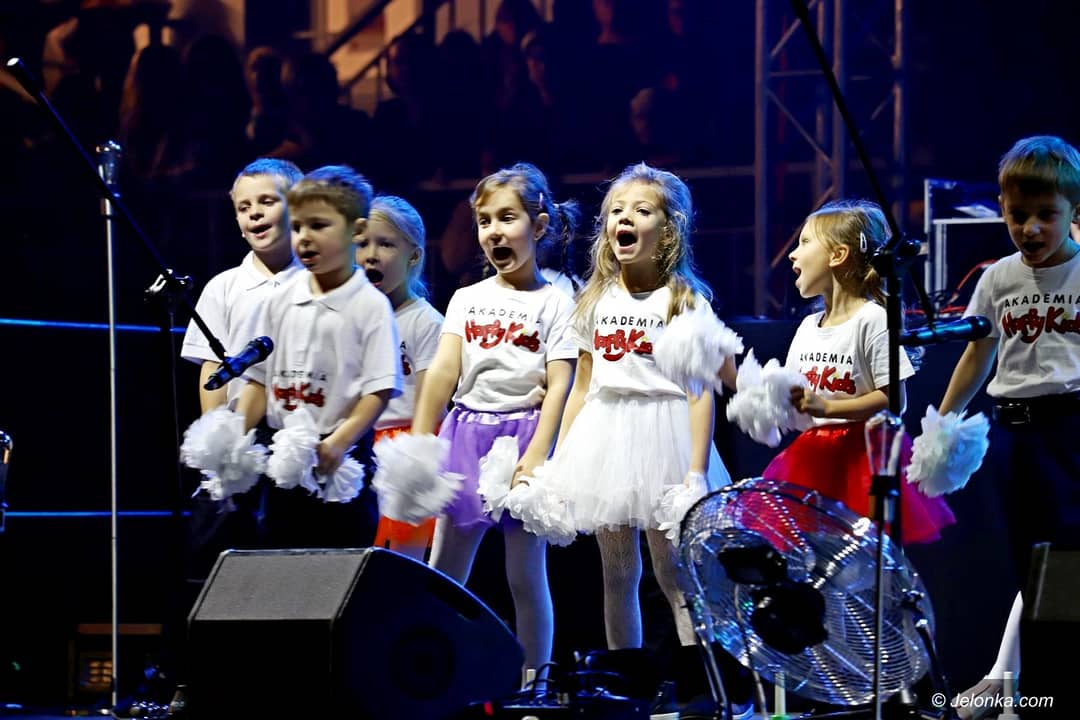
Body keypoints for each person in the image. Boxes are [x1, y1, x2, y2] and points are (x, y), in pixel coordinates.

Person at [533, 162, 736, 712]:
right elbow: (582, 385)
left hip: (664, 434)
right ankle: (629, 682)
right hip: (607, 436)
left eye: (641, 211)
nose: (624, 219)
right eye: (616, 211)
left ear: (668, 231)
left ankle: (699, 684)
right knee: (618, 570)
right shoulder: (595, 300)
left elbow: (699, 393)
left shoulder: (683, 300)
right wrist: (560, 458)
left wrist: (695, 472)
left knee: (673, 571)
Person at [407, 162, 579, 679]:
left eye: (507, 218)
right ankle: (434, 674)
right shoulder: (467, 298)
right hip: (466, 435)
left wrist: (537, 453)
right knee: (445, 570)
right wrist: (421, 437)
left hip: (523, 436)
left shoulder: (557, 302)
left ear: (539, 226)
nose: (494, 231)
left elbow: (561, 384)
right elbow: (444, 371)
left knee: (524, 574)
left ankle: (535, 679)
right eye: (485, 221)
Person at [936, 136, 1080, 718]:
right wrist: (945, 417)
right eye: (1019, 215)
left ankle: (1054, 691)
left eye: (1047, 215)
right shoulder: (998, 278)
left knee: (1062, 564)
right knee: (1029, 563)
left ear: (1074, 211)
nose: (1031, 229)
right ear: (1001, 209)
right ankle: (1037, 690)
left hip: (1071, 432)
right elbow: (978, 352)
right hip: (1015, 436)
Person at [170, 157, 304, 716]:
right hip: (234, 447)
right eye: (244, 207)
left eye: (267, 202)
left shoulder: (318, 280)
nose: (254, 214)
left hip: (292, 440)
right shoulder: (224, 286)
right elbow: (209, 366)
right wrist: (218, 438)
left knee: (288, 558)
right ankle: (207, 679)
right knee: (215, 557)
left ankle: (289, 681)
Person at [763, 199, 955, 544]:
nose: (792, 254)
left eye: (804, 242)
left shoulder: (873, 319)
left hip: (862, 459)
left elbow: (893, 399)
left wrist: (829, 407)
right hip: (815, 457)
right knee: (814, 558)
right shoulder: (808, 326)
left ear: (838, 255)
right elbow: (795, 394)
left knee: (862, 557)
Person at [235, 165, 402, 550]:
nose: (305, 238)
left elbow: (378, 390)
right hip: (281, 453)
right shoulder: (279, 299)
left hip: (339, 455)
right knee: (279, 556)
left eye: (319, 226)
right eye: (297, 227)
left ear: (356, 231)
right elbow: (258, 379)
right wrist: (235, 435)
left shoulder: (370, 305)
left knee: (338, 559)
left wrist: (339, 442)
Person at [356, 195, 445, 561]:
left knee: (404, 562)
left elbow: (430, 401)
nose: (371, 255)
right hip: (361, 448)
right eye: (362, 244)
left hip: (405, 448)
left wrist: (414, 457)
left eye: (386, 244)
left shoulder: (426, 322)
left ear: (414, 256)